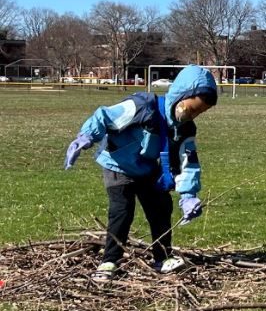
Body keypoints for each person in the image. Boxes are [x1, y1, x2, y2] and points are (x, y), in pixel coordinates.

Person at [64, 65, 218, 282]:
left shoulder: (185, 129)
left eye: (199, 113)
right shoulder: (142, 107)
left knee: (161, 207)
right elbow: (106, 116)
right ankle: (110, 261)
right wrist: (86, 136)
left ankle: (162, 257)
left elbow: (188, 162)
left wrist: (189, 195)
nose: (192, 115)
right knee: (122, 210)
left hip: (147, 169)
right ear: (181, 95)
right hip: (118, 165)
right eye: (192, 109)